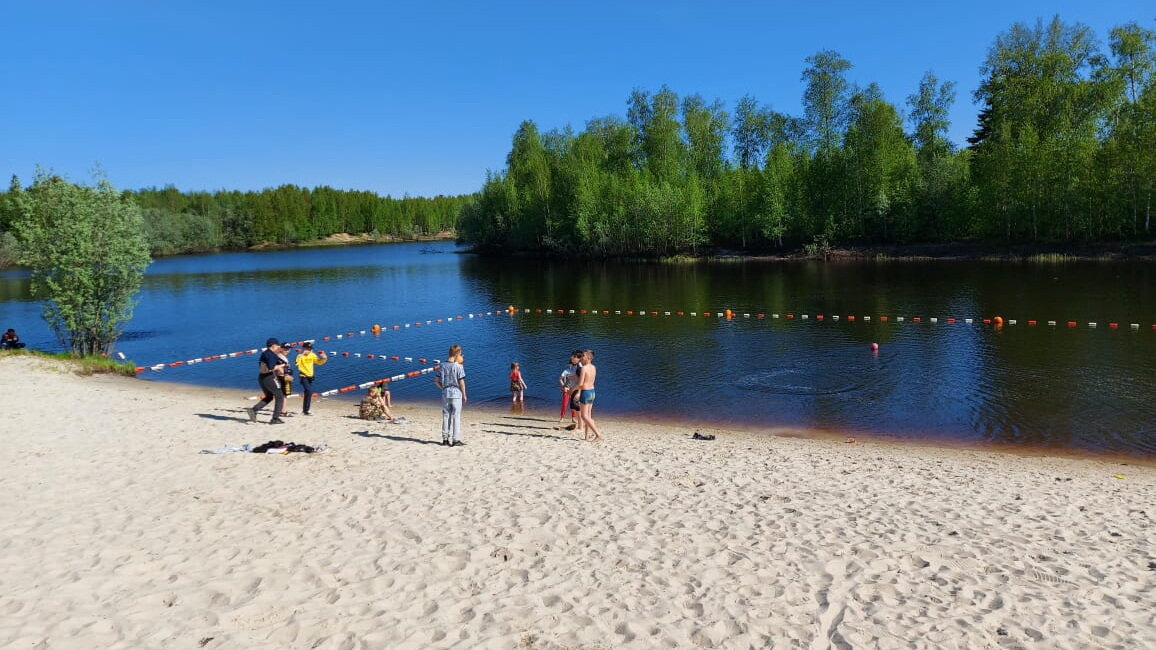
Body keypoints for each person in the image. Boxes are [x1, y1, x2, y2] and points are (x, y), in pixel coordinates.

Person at [246, 338, 288, 425]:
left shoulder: (267, 353)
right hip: (268, 378)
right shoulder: (270, 355)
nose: (279, 347)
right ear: (273, 345)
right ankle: (275, 419)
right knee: (280, 396)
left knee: (269, 397)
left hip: (262, 377)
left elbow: (273, 364)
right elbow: (271, 368)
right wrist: (281, 366)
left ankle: (253, 410)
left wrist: (282, 366)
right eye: (277, 345)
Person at [434, 344, 467, 447]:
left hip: (445, 392)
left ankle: (445, 439)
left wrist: (443, 387)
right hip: (456, 393)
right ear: (457, 354)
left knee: (446, 415)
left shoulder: (442, 365)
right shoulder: (458, 366)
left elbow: (436, 381)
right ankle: (455, 439)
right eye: (460, 353)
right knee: (456, 416)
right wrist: (464, 394)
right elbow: (461, 382)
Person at [294, 341, 327, 416]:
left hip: (310, 377)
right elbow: (296, 363)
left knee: (308, 393)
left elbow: (318, 362)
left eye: (310, 349)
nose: (309, 350)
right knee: (309, 391)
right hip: (303, 376)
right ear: (303, 348)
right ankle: (305, 410)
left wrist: (324, 358)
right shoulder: (300, 356)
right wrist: (301, 354)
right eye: (307, 349)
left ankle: (306, 410)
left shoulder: (312, 355)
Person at [576, 349, 601, 442]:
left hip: (586, 392)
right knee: (588, 416)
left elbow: (580, 384)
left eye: (583, 356)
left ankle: (598, 434)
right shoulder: (594, 367)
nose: (581, 357)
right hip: (592, 392)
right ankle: (586, 436)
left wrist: (573, 390)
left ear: (589, 357)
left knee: (584, 416)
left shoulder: (584, 368)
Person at [558, 351, 581, 428]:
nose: (572, 358)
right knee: (564, 403)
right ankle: (562, 417)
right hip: (567, 388)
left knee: (574, 403)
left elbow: (580, 378)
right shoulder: (566, 371)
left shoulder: (579, 368)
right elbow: (560, 379)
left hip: (575, 388)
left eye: (574, 357)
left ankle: (573, 418)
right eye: (572, 357)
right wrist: (563, 386)